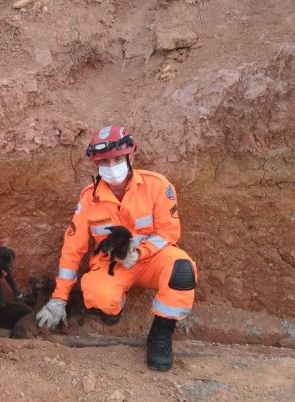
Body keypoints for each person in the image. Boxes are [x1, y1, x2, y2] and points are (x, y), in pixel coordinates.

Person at [36, 125, 197, 371]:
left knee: (182, 269)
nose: (111, 167)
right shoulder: (90, 198)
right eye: (104, 162)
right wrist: (59, 298)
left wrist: (140, 253)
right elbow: (73, 248)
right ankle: (115, 302)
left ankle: (161, 334)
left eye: (117, 160)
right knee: (96, 294)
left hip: (152, 259)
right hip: (112, 265)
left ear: (130, 157)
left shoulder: (157, 186)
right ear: (96, 165)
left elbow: (169, 233)